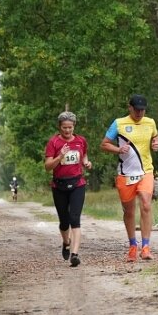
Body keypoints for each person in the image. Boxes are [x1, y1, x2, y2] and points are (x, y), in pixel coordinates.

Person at [100, 94, 158, 263]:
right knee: (129, 210)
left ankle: (146, 247)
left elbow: (155, 136)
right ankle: (133, 245)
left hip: (145, 171)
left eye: (143, 110)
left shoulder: (150, 122)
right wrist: (118, 150)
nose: (140, 113)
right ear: (130, 108)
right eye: (137, 109)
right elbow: (104, 144)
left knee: (146, 204)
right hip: (125, 173)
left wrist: (156, 143)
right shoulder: (119, 123)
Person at [44, 111, 92, 267]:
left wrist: (86, 162)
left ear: (74, 126)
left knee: (75, 219)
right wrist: (60, 156)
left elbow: (83, 155)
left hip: (77, 184)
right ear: (59, 127)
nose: (67, 130)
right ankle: (66, 242)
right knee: (64, 222)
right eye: (64, 127)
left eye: (70, 127)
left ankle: (75, 254)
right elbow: (47, 166)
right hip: (59, 186)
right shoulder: (53, 143)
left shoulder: (81, 141)